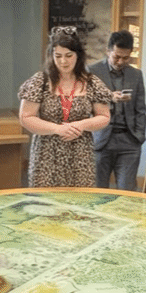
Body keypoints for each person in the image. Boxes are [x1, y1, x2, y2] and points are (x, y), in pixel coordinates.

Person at [18, 26, 111, 187]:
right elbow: (25, 117)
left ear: (78, 55)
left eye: (69, 55)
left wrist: (81, 125)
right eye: (58, 56)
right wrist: (57, 129)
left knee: (79, 199)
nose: (63, 61)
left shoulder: (91, 82)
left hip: (80, 154)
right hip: (46, 154)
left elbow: (104, 116)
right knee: (46, 201)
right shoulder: (40, 81)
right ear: (51, 56)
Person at [89, 30, 146, 191]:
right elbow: (85, 104)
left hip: (129, 142)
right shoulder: (91, 72)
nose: (121, 61)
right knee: (97, 193)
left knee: (127, 193)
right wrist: (109, 97)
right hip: (100, 140)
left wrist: (139, 136)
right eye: (117, 57)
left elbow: (141, 109)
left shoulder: (136, 74)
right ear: (108, 51)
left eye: (126, 58)